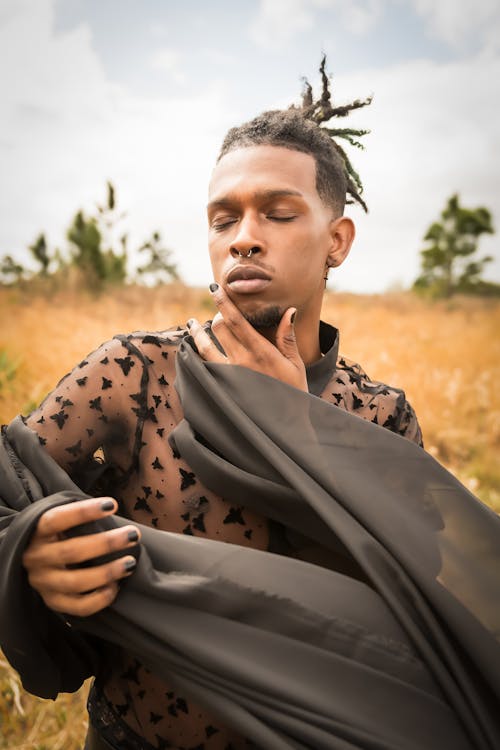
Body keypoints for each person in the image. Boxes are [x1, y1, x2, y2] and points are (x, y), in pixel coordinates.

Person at [18, 71, 426, 750]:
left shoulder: (380, 416)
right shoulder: (133, 375)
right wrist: (29, 546)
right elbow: (9, 487)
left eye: (279, 212)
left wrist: (298, 433)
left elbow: (404, 619)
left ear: (338, 241)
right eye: (224, 218)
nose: (244, 237)